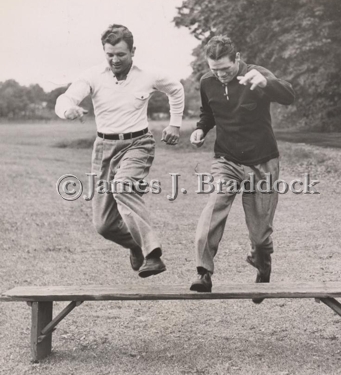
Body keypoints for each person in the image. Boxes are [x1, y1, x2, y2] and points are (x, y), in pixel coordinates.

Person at [55, 24, 184, 278]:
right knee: (103, 225)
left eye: (121, 55)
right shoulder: (93, 75)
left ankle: (152, 254)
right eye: (110, 54)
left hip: (138, 143)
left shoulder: (149, 74)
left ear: (133, 51)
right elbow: (66, 98)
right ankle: (134, 244)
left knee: (123, 186)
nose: (115, 60)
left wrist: (175, 124)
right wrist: (68, 110)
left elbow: (176, 89)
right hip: (104, 148)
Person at [189, 35, 294, 302]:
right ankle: (203, 272)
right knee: (214, 207)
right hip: (227, 160)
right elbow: (208, 113)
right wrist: (201, 129)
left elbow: (288, 95)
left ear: (236, 58)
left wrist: (266, 84)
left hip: (263, 162)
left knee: (260, 236)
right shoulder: (207, 82)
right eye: (215, 70)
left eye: (225, 68)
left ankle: (262, 263)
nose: (220, 75)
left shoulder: (256, 73)